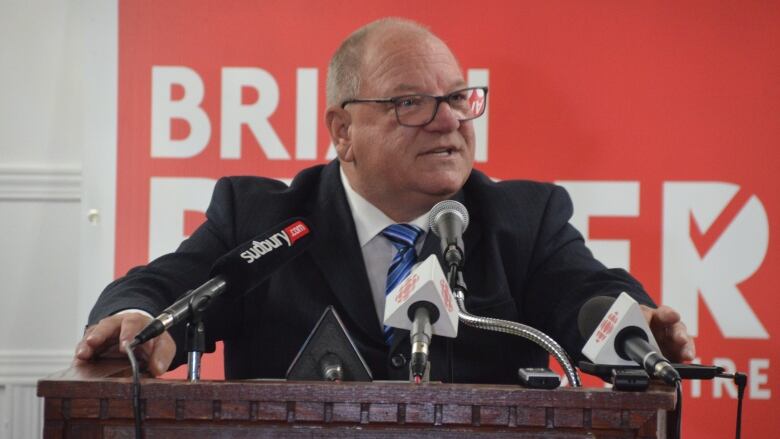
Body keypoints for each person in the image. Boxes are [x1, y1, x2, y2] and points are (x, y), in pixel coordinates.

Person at [74, 18, 695, 382]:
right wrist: (140, 322)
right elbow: (164, 286)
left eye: (458, 97)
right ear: (342, 132)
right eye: (410, 102)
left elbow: (581, 293)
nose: (447, 120)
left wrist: (636, 334)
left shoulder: (523, 222)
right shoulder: (265, 220)